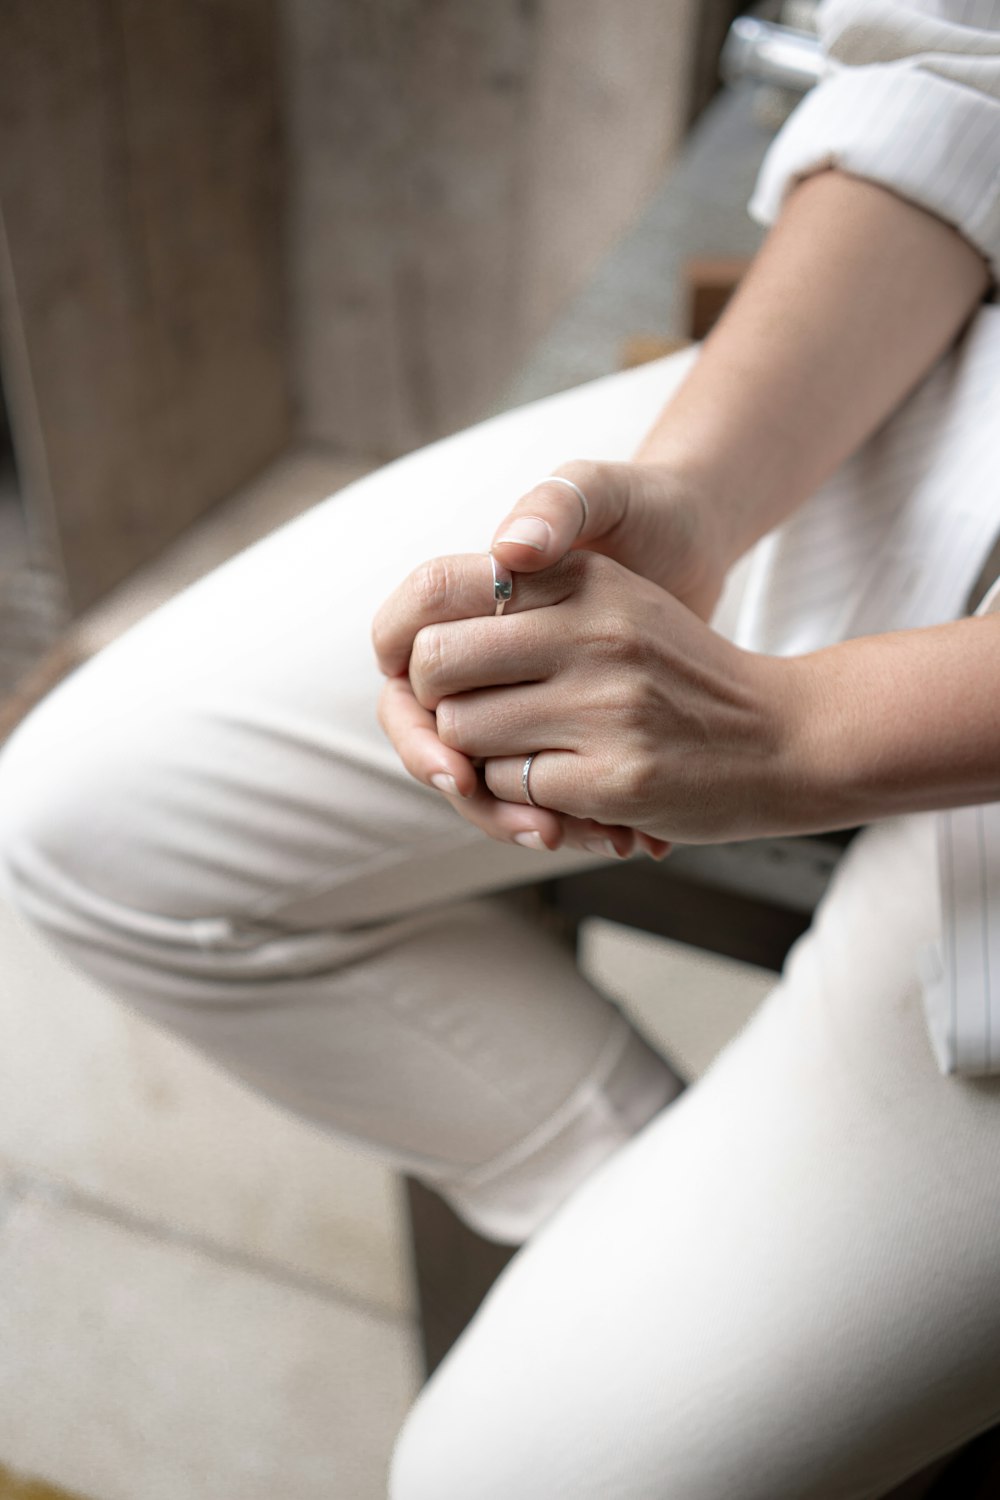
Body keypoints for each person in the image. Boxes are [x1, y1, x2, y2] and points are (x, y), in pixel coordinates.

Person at [1, 0, 999, 1493]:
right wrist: (700, 501)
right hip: (941, 419)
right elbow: (955, 68)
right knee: (89, 827)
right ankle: (673, 1259)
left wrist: (808, 730)